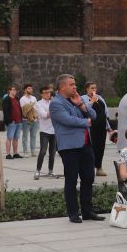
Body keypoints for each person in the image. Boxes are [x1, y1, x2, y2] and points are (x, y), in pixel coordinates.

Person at [50, 74, 102, 224]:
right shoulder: (56, 103)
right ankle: (73, 213)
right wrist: (85, 122)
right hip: (69, 147)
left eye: (75, 84)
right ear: (62, 87)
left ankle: (87, 211)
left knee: (88, 178)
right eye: (72, 84)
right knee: (71, 180)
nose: (75, 87)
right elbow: (67, 120)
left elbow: (93, 115)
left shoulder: (77, 100)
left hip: (85, 145)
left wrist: (81, 105)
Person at [85, 82, 109, 175]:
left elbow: (105, 112)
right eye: (91, 88)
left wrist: (108, 126)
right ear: (87, 89)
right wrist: (92, 101)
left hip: (102, 127)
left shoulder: (100, 98)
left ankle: (99, 167)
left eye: (95, 88)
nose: (94, 90)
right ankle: (90, 167)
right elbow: (85, 109)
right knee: (92, 147)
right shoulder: (84, 98)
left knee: (100, 147)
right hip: (92, 127)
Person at [33, 86, 57, 179]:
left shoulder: (53, 102)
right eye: (45, 92)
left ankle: (50, 171)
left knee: (53, 152)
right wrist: (54, 111)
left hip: (54, 131)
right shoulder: (38, 104)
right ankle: (38, 171)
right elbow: (44, 115)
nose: (48, 94)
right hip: (44, 131)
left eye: (49, 92)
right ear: (41, 94)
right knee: (43, 151)